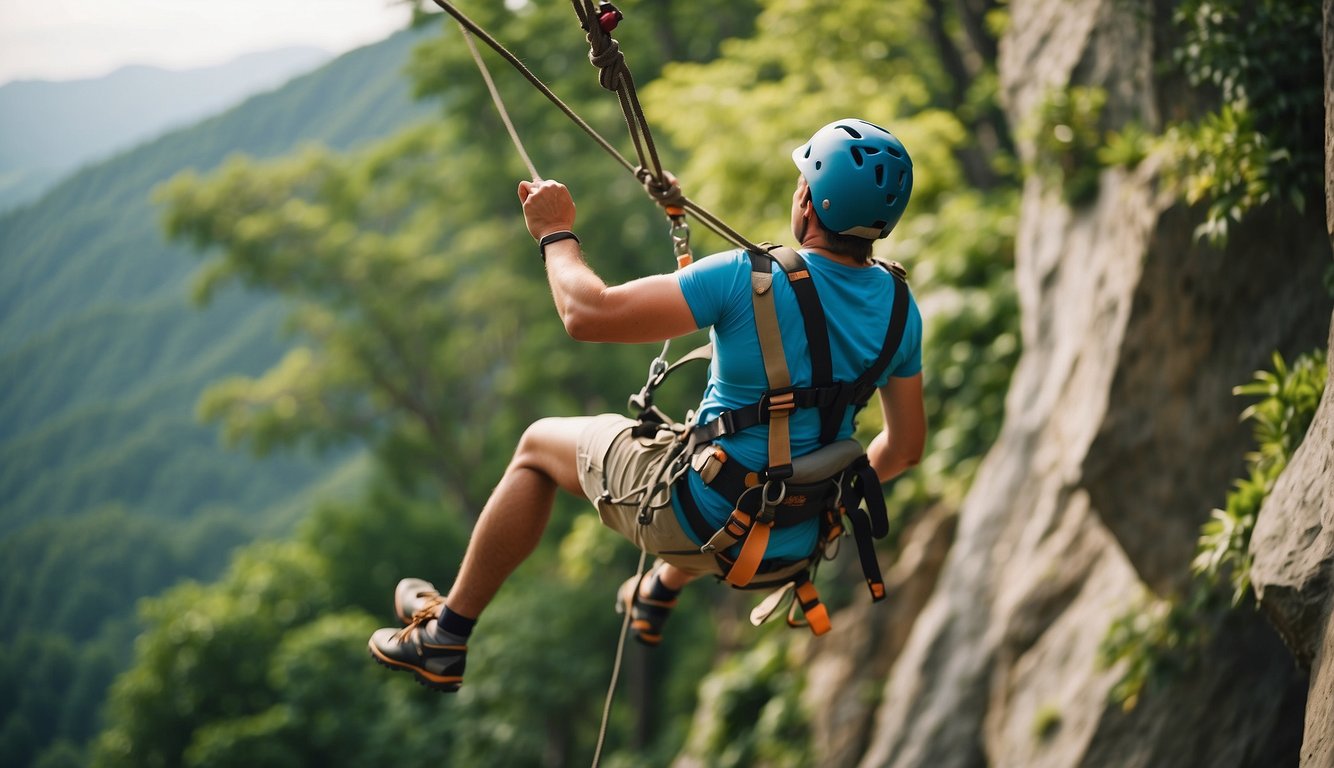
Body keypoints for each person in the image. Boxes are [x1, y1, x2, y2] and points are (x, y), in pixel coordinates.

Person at [368, 118, 926, 692]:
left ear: (808, 201)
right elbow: (905, 449)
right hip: (792, 543)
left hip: (699, 517)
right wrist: (819, 502)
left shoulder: (747, 277)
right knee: (734, 469)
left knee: (539, 446)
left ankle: (445, 636)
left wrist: (555, 233)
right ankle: (660, 588)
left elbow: (588, 314)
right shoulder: (902, 310)